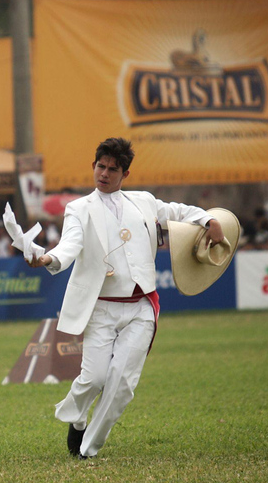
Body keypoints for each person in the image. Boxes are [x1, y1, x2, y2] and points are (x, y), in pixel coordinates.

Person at [27, 137, 224, 459]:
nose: (104, 173)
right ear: (93, 167)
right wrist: (48, 259)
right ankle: (76, 419)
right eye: (100, 167)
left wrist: (209, 220)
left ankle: (88, 449)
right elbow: (69, 244)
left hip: (142, 307)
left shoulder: (143, 201)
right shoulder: (78, 208)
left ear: (125, 174)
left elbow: (179, 211)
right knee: (94, 379)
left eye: (112, 169)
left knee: (121, 385)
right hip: (100, 308)